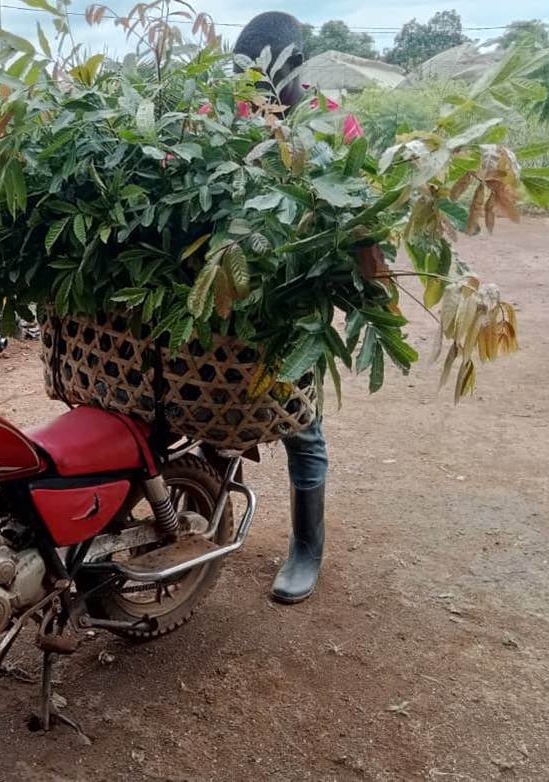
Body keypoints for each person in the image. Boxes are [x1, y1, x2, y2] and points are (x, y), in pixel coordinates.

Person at [232, 12, 329, 604]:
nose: (261, 93)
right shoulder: (236, 119)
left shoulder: (324, 125)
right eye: (249, 81)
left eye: (268, 80)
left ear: (293, 69)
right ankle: (210, 515)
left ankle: (306, 546)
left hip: (295, 304)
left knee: (302, 423)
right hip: (238, 296)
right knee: (212, 404)